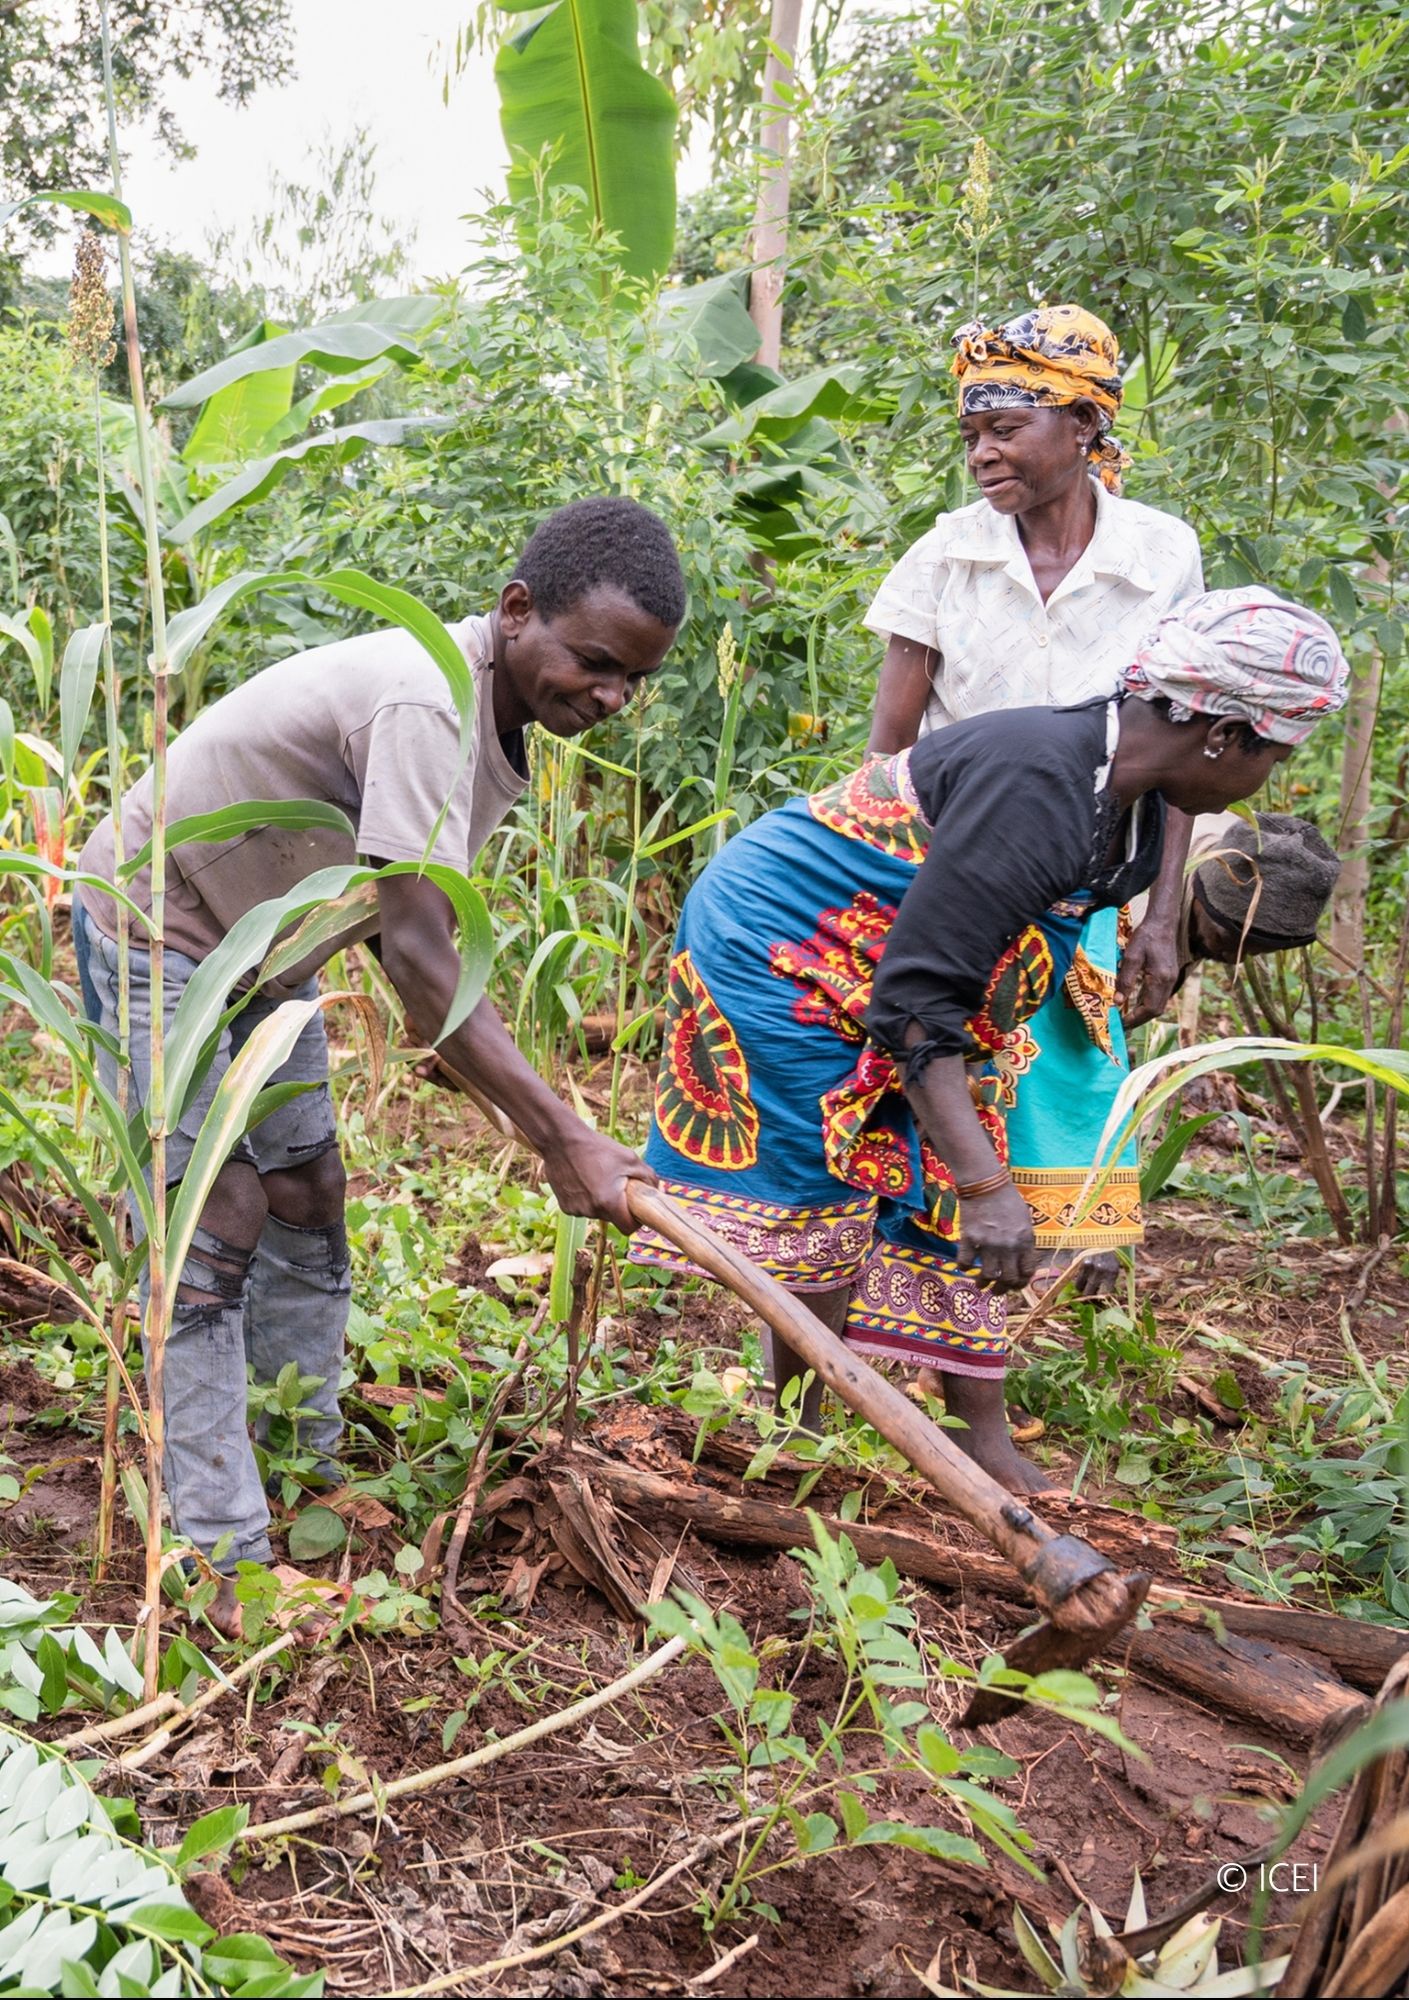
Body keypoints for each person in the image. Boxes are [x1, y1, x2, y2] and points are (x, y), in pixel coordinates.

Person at [73, 496, 681, 1632]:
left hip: (267, 949)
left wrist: (523, 1101)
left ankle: (297, 1457)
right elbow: (417, 954)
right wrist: (562, 1132)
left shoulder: (495, 712)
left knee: (309, 1184)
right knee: (217, 1210)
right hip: (162, 927)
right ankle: (217, 1555)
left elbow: (413, 948)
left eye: (630, 680)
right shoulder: (426, 698)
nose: (608, 697)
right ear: (515, 612)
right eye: (594, 662)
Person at [632, 589, 1348, 1492]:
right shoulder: (1044, 786)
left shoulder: (1127, 778)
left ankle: (978, 1434)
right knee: (837, 1185)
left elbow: (938, 986)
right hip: (784, 947)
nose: (1267, 779)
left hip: (908, 975)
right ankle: (793, 1433)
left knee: (953, 1171)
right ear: (1220, 736)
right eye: (1275, 753)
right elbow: (917, 1005)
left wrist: (976, 1173)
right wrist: (982, 1185)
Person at [862, 305, 1208, 1280]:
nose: (982, 452)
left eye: (1005, 428)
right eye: (970, 433)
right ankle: (937, 1272)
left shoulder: (1157, 559)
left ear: (1085, 425)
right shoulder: (943, 554)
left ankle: (1066, 1279)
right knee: (941, 1067)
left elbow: (1182, 757)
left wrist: (1162, 913)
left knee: (1064, 1065)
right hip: (954, 872)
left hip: (1083, 881)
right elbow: (886, 749)